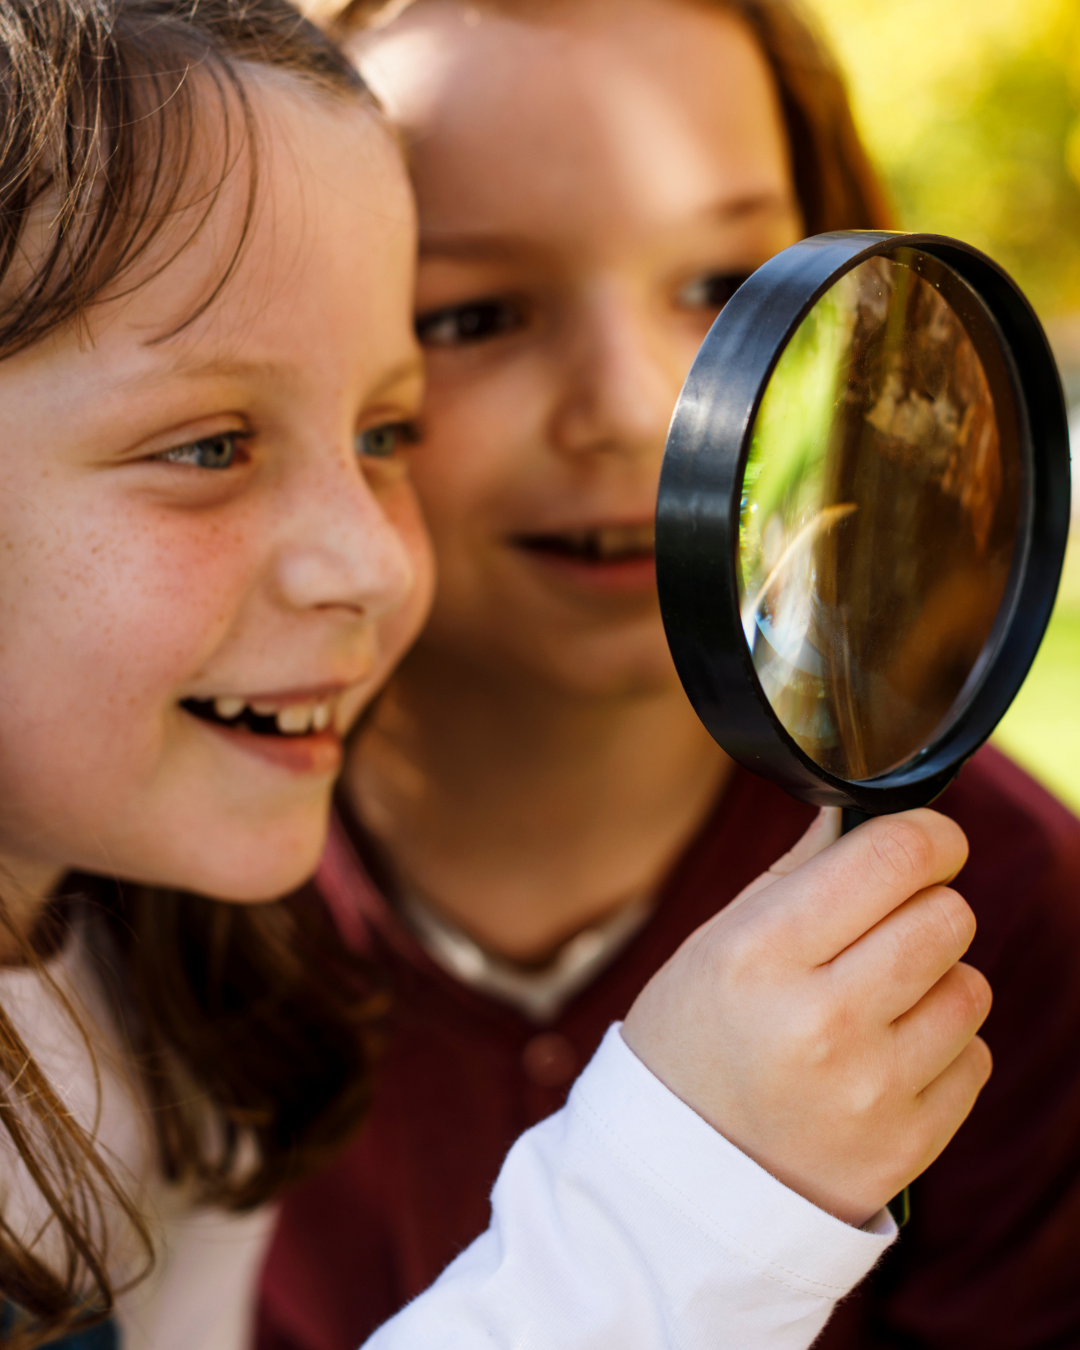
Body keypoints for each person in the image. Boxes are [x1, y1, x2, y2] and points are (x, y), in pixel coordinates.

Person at [0, 0, 991, 1346]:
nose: (371, 560)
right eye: (211, 446)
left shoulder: (147, 975)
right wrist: (690, 1203)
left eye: (387, 428)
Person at [255, 1, 1080, 1348]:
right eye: (474, 312)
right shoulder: (135, 897)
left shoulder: (994, 911)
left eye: (720, 290)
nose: (635, 402)